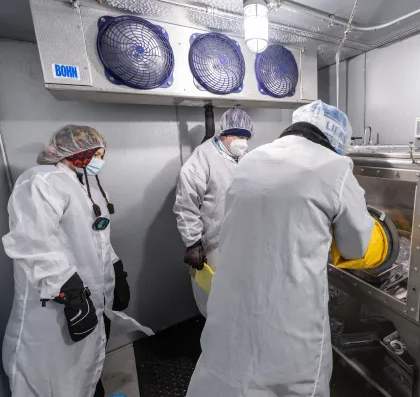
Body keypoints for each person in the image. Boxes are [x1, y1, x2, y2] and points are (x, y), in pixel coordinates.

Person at [185, 100, 389, 397]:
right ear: (335, 139)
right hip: (288, 318)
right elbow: (356, 246)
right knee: (290, 382)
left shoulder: (252, 159)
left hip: (232, 301)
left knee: (226, 374)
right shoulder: (335, 166)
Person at [2, 125, 146, 397]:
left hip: (88, 296)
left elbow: (98, 238)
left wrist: (117, 270)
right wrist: (70, 292)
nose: (100, 161)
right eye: (98, 154)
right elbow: (32, 243)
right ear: (79, 152)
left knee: (85, 364)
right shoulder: (40, 181)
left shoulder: (82, 187)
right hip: (57, 302)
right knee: (57, 373)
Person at [174, 108, 254, 317]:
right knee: (212, 298)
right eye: (238, 136)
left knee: (239, 294)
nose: (242, 142)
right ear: (223, 134)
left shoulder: (245, 158)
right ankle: (212, 340)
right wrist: (193, 243)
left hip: (243, 239)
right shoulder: (202, 159)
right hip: (213, 244)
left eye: (246, 137)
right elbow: (186, 206)